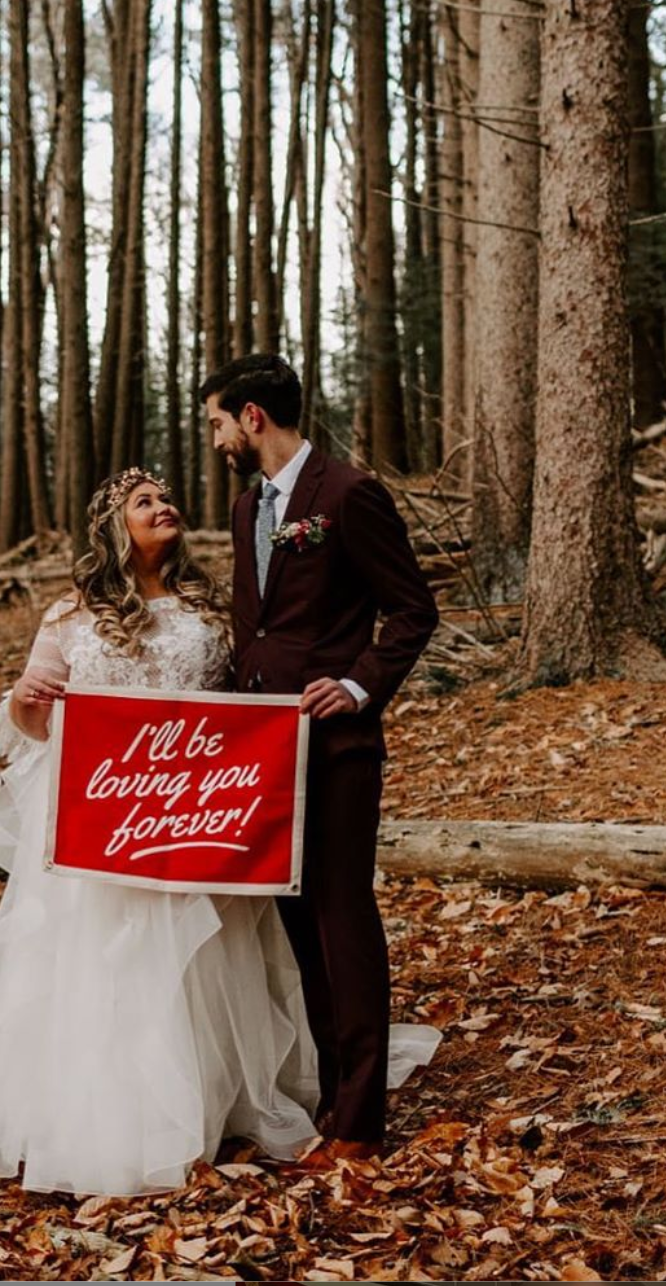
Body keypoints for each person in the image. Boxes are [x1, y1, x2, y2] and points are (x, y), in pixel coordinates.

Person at [0, 468, 320, 1196]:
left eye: (166, 497)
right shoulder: (70, 615)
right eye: (144, 502)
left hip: (189, 809)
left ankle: (209, 1100)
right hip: (103, 815)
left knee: (199, 956)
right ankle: (107, 1118)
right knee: (107, 959)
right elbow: (36, 721)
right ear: (113, 527)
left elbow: (238, 707)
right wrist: (26, 699)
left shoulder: (209, 607)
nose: (165, 507)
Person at [201, 354, 441, 1166]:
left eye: (218, 423)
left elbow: (412, 610)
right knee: (300, 926)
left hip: (337, 748)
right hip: (262, 753)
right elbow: (257, 633)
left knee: (343, 920)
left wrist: (358, 684)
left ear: (253, 417)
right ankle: (333, 1096)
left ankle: (362, 1123)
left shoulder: (347, 495)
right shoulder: (247, 508)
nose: (217, 440)